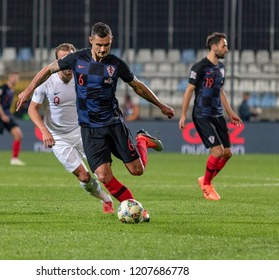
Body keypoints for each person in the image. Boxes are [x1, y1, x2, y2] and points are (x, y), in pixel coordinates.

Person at [16, 22, 175, 221]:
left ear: (111, 42)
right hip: (90, 129)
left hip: (114, 124)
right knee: (103, 176)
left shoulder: (116, 64)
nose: (102, 49)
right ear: (91, 41)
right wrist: (29, 90)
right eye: (99, 44)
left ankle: (141, 139)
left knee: (137, 170)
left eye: (106, 45)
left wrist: (160, 105)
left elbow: (138, 86)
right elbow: (48, 70)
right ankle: (138, 211)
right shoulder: (76, 59)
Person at [28, 43, 114, 214]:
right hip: (59, 138)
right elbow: (32, 109)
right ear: (57, 61)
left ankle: (126, 200)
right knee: (84, 176)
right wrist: (44, 130)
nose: (67, 64)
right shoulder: (46, 82)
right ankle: (106, 200)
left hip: (83, 131)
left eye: (70, 59)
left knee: (103, 172)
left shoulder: (83, 77)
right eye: (63, 60)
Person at [178, 32, 242, 201]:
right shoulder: (199, 67)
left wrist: (230, 112)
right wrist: (183, 115)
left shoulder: (221, 68)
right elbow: (189, 91)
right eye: (224, 46)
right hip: (202, 114)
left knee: (227, 153)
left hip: (217, 114)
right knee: (218, 151)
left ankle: (205, 180)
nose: (226, 49)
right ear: (214, 47)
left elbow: (220, 91)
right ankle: (206, 186)